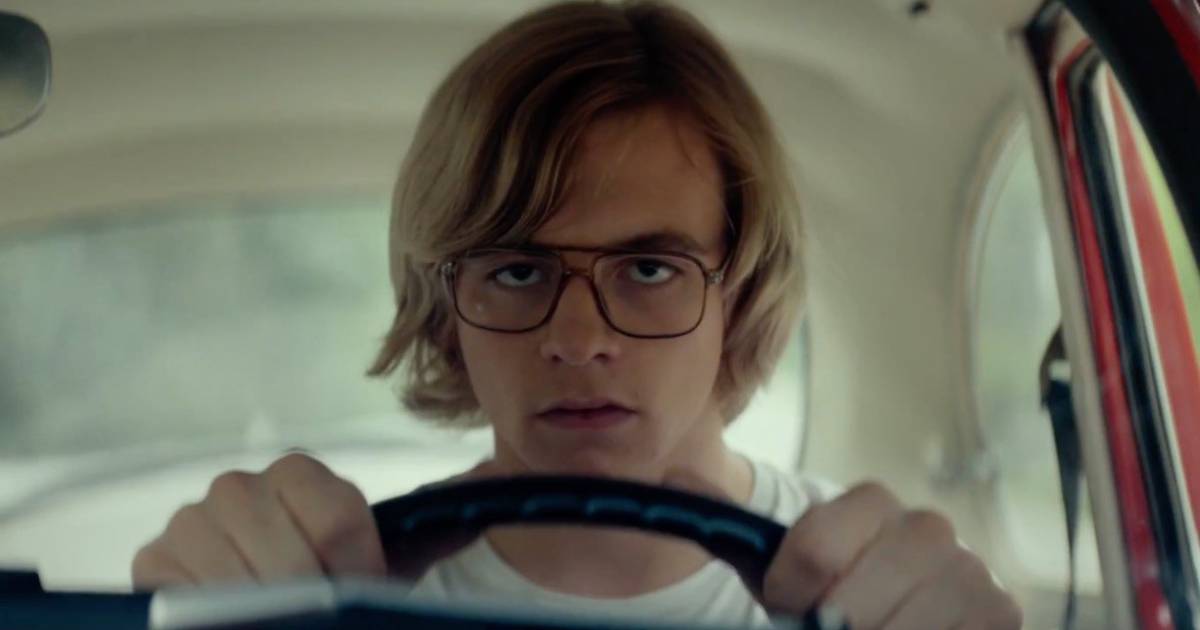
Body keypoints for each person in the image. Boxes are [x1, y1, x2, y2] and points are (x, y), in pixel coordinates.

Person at [131, 2, 1022, 628]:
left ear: (741, 291)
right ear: (446, 311)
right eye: (518, 271)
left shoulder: (875, 591)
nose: (578, 340)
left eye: (649, 268)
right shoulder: (314, 589)